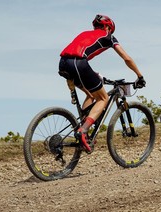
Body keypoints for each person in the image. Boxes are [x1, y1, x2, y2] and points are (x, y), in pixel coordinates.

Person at [59, 14, 146, 152]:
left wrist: (94, 75)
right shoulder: (108, 36)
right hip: (78, 63)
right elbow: (126, 58)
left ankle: (83, 130)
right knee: (103, 98)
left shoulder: (85, 33)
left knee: (91, 95)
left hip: (63, 63)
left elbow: (78, 53)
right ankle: (83, 130)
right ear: (107, 27)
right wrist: (139, 76)